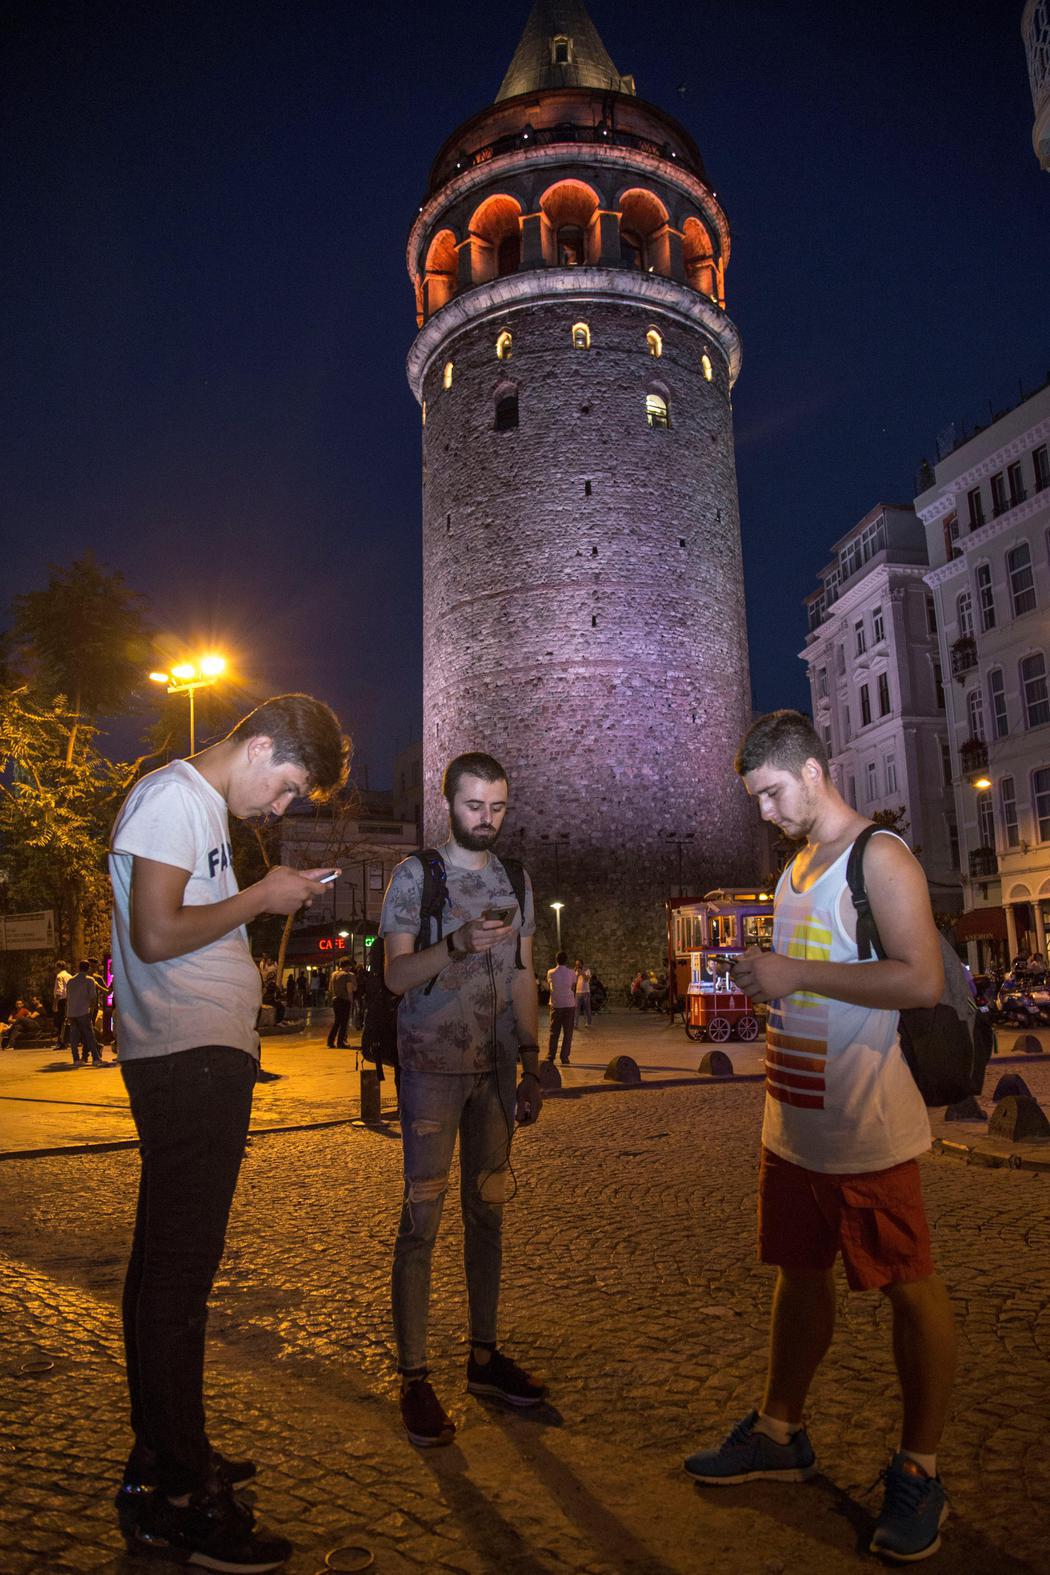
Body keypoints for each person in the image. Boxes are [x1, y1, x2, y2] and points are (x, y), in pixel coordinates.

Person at [683, 710, 954, 1564]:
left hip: (866, 1121)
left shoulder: (882, 857)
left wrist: (794, 973)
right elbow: (819, 979)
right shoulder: (797, 869)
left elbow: (920, 978)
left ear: (809, 770)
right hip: (792, 1123)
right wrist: (780, 987)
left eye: (768, 794)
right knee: (799, 1278)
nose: (762, 812)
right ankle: (779, 1429)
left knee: (909, 1287)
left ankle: (920, 1465)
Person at [109, 692, 349, 1573]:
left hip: (198, 1058)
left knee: (160, 1273)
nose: (280, 808)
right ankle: (181, 1491)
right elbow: (158, 929)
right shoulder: (174, 797)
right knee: (178, 1281)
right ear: (257, 747)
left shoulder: (197, 807)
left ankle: (167, 1452)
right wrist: (261, 897)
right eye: (286, 787)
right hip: (187, 1060)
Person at [379, 750, 546, 1448]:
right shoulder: (417, 875)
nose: (488, 819)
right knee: (422, 1220)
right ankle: (415, 1377)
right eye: (476, 805)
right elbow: (394, 975)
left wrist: (534, 1058)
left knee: (489, 1216)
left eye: (499, 806)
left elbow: (524, 974)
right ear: (449, 802)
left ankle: (482, 1356)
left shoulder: (517, 878)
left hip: (496, 1073)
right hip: (431, 1070)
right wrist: (455, 942)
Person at [66, 964, 100, 1064]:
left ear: (78, 968)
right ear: (88, 968)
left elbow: (68, 997)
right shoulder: (89, 980)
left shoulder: (70, 981)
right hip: (83, 1011)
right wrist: (92, 1011)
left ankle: (76, 1059)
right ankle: (95, 1058)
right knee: (89, 1036)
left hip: (71, 1012)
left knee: (74, 1037)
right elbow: (93, 997)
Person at [546, 951, 577, 1063]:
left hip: (556, 1004)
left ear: (556, 960)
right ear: (566, 960)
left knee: (554, 1031)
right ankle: (564, 1057)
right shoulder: (572, 973)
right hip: (569, 1004)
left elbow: (550, 986)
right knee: (568, 1032)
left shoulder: (551, 972)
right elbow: (573, 986)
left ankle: (551, 1055)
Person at [327, 959, 353, 1048]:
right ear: (347, 966)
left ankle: (330, 1041)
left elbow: (330, 989)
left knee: (337, 1021)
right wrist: (351, 1000)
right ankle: (340, 1042)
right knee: (344, 1022)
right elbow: (349, 989)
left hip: (335, 1000)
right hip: (344, 1000)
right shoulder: (346, 975)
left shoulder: (333, 975)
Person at [53, 960, 73, 1047]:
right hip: (69, 1000)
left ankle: (60, 1041)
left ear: (59, 967)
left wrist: (55, 1004)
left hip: (62, 1001)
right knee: (67, 1020)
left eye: (56, 967)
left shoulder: (59, 976)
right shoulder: (69, 976)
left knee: (60, 1021)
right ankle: (66, 1040)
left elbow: (59, 991)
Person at [574, 958, 592, 1027]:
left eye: (578, 964)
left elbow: (587, 979)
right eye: (576, 964)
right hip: (578, 992)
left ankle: (588, 1022)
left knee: (587, 1008)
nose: (577, 965)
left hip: (586, 992)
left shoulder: (587, 970)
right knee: (576, 1008)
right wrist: (576, 974)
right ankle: (575, 1023)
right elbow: (574, 981)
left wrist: (582, 973)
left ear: (582, 964)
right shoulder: (576, 971)